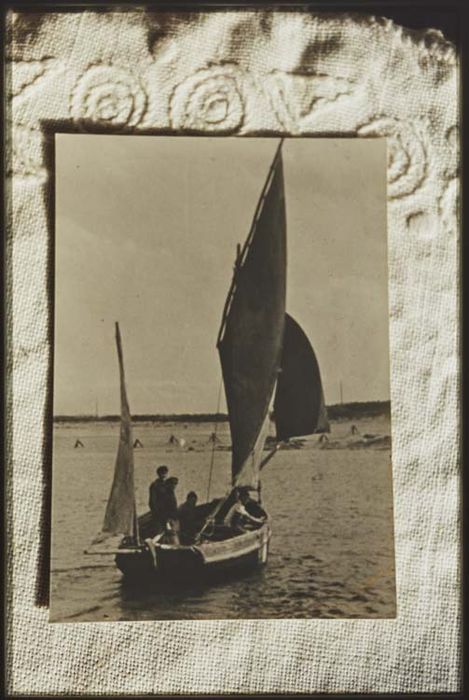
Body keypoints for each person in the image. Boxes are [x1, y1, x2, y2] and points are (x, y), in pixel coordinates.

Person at [148, 465, 170, 532]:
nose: (164, 475)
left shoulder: (167, 484)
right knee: (159, 530)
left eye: (165, 473)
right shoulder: (155, 485)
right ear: (158, 474)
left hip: (166, 511)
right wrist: (156, 512)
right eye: (162, 473)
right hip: (158, 512)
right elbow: (152, 501)